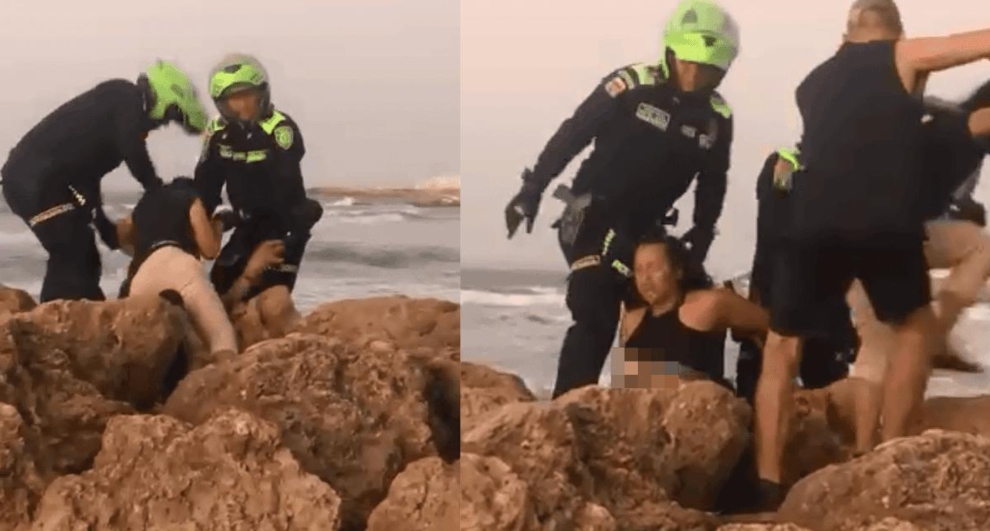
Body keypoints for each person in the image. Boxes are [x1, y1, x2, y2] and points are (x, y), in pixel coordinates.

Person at [754, 0, 990, 509]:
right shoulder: (899, 54)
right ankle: (892, 449)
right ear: (895, 32)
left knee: (781, 347)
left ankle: (767, 480)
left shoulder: (812, 82)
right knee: (916, 329)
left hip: (811, 219)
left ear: (846, 32)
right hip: (882, 221)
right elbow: (978, 42)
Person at [504, 0, 740, 399]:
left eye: (706, 70)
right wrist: (532, 190)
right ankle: (566, 410)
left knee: (677, 305)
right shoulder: (630, 84)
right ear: (670, 52)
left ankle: (659, 403)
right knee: (596, 304)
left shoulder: (718, 116)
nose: (694, 75)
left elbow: (714, 179)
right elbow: (572, 134)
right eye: (687, 63)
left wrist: (702, 233)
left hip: (645, 229)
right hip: (591, 215)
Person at [843, 90, 990, 455]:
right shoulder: (945, 131)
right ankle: (868, 449)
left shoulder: (961, 139)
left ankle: (935, 334)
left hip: (906, 230)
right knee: (879, 337)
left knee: (980, 245)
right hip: (863, 236)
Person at [0, 60, 208, 302]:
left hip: (41, 181)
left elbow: (87, 178)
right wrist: (156, 189)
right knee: (72, 247)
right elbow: (134, 149)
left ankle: (87, 313)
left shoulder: (114, 124)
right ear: (162, 97)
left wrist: (102, 223)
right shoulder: (124, 96)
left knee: (84, 251)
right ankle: (53, 320)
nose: (163, 124)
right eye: (171, 115)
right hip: (32, 179)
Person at [193, 53, 323, 307]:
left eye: (247, 96)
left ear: (262, 94)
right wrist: (204, 223)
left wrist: (289, 231)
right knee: (216, 290)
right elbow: (206, 185)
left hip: (283, 224)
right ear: (222, 103)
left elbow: (284, 183)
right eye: (233, 99)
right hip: (246, 222)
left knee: (270, 301)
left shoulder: (280, 128)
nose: (242, 106)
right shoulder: (218, 133)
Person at [734, 150, 858, 404]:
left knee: (831, 406)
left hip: (822, 313)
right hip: (778, 301)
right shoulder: (784, 162)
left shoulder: (853, 169)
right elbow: (774, 230)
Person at [618, 231, 767, 390]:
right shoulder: (632, 320)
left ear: (678, 271)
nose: (645, 278)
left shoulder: (708, 304)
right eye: (639, 270)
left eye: (653, 268)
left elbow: (773, 327)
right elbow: (623, 384)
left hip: (704, 409)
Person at [117, 177, 240, 363]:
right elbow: (209, 250)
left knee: (138, 351)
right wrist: (219, 225)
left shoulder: (144, 205)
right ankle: (228, 386)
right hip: (181, 267)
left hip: (143, 274)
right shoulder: (191, 198)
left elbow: (123, 235)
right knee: (221, 338)